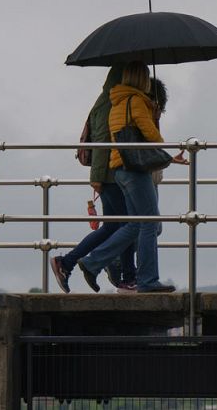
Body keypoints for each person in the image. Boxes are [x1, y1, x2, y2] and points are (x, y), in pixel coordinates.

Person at [77, 62, 187, 293]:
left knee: (137, 223)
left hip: (120, 169)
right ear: (142, 79)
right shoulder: (136, 101)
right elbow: (152, 138)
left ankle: (93, 263)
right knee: (150, 223)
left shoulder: (117, 102)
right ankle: (146, 279)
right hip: (136, 170)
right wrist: (154, 115)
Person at [50, 68, 134, 292]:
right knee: (129, 224)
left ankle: (69, 263)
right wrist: (96, 177)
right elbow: (102, 141)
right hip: (110, 175)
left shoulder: (106, 101)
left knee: (115, 226)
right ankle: (124, 275)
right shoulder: (110, 104)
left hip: (108, 175)